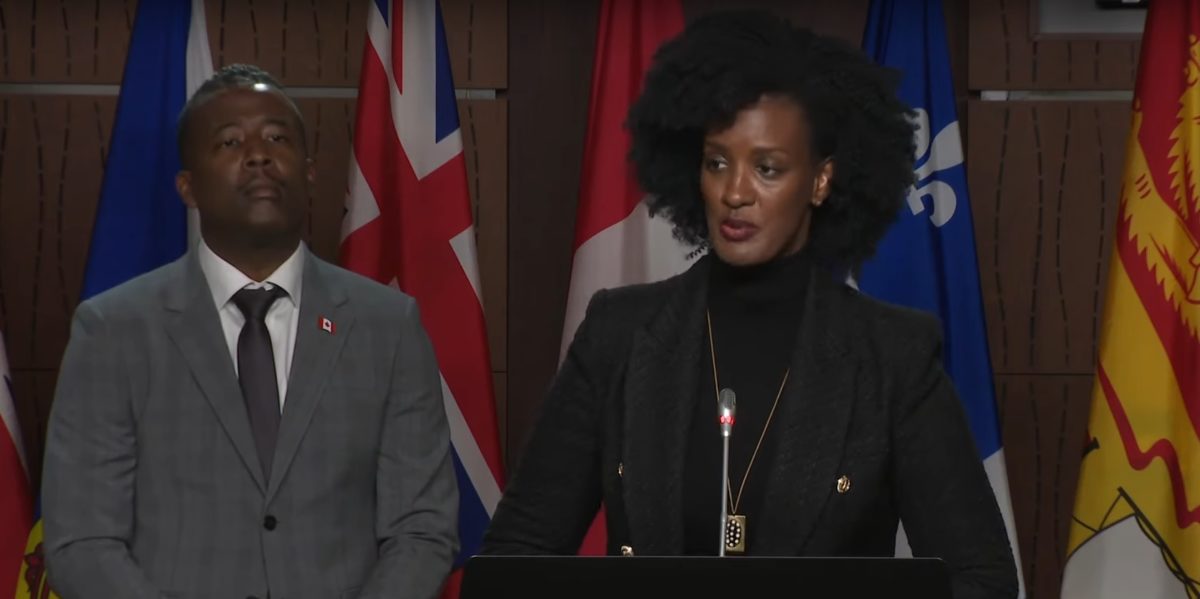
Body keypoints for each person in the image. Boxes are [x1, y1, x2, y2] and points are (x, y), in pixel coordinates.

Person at [481, 10, 1018, 599]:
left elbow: (983, 578)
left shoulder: (892, 355)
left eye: (767, 168)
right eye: (717, 163)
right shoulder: (619, 333)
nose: (735, 193)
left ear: (820, 181)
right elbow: (516, 558)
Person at [41, 64, 458, 599]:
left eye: (278, 138)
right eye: (230, 142)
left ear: (309, 172)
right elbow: (84, 541)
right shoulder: (114, 331)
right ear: (187, 187)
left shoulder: (388, 326)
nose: (258, 154)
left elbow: (421, 529)